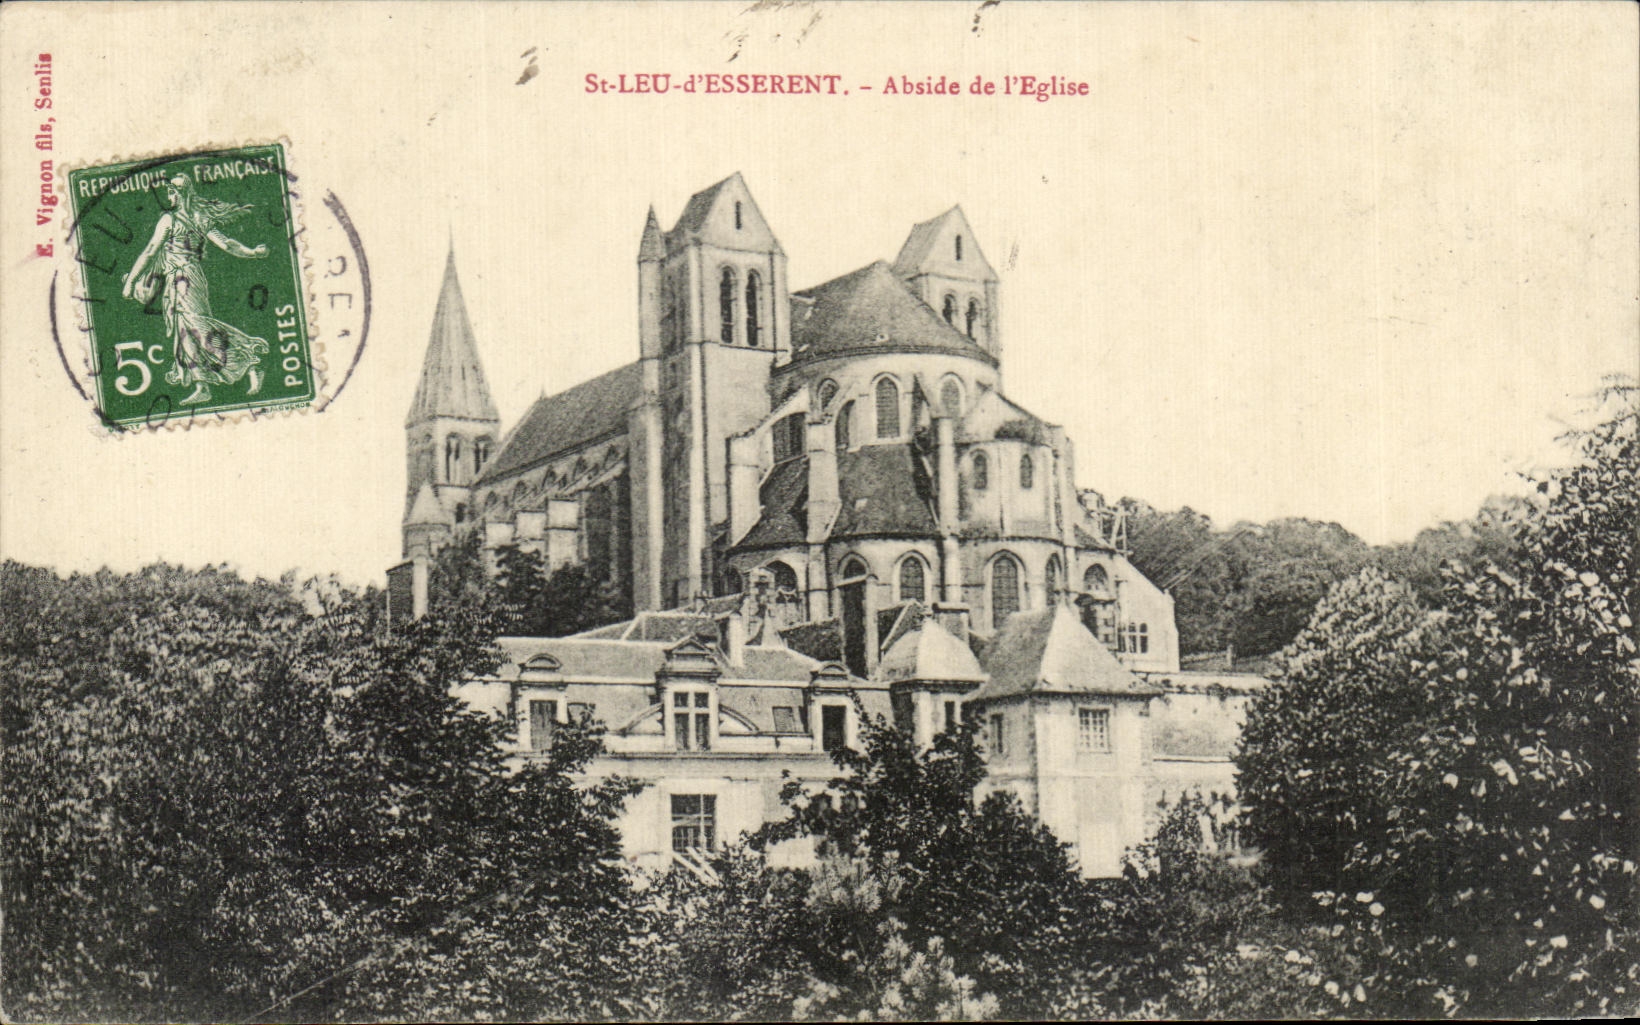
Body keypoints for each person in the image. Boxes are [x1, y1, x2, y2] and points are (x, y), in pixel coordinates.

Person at [121, 174, 271, 405]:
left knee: (199, 328)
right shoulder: (195, 218)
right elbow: (226, 243)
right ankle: (202, 386)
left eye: (173, 192)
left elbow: (151, 250)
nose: (169, 196)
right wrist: (251, 252)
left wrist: (131, 281)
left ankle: (250, 362)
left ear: (183, 194)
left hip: (186, 280)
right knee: (186, 332)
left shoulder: (172, 220)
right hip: (181, 280)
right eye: (169, 192)